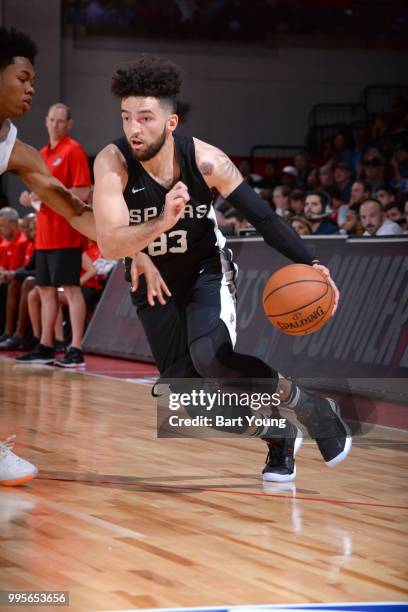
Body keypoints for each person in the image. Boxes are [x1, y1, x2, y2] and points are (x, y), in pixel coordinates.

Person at [92, 54, 351, 483]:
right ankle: (278, 436)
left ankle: (313, 407)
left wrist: (313, 262)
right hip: (152, 286)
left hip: (203, 272)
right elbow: (109, 239)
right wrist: (156, 230)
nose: (134, 130)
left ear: (171, 122)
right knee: (188, 406)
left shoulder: (206, 162)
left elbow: (265, 219)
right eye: (126, 118)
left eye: (145, 118)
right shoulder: (112, 163)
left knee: (211, 358)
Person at [16, 103, 92, 367]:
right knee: (45, 290)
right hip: (44, 234)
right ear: (46, 121)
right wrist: (29, 196)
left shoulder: (74, 150)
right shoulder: (40, 154)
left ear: (68, 124)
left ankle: (76, 349)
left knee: (71, 289)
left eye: (61, 121)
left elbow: (83, 191)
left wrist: (50, 195)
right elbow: (37, 190)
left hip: (66, 233)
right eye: (52, 120)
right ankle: (46, 345)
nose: (56, 125)